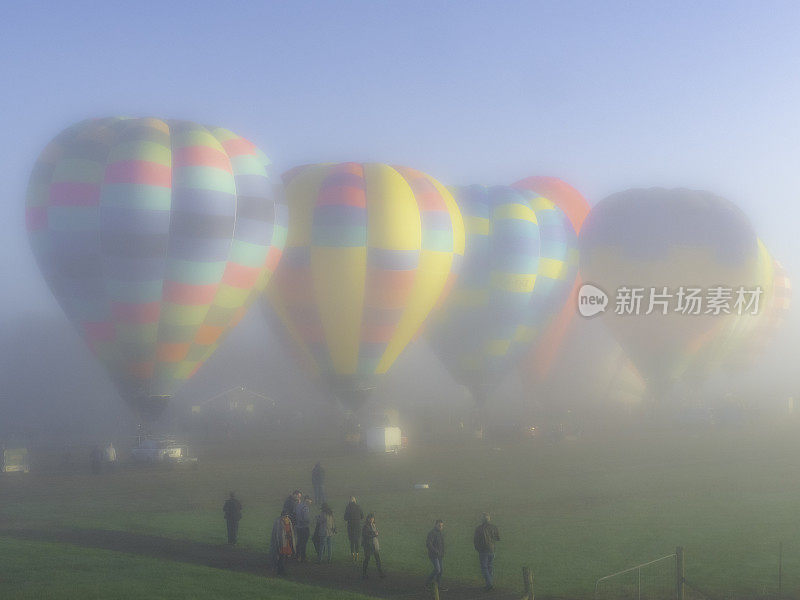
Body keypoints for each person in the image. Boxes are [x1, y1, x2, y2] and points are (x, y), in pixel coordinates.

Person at [473, 512, 500, 591]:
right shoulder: (494, 527)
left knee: (484, 567)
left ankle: (489, 584)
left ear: (482, 520)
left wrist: (477, 548)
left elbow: (475, 540)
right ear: (489, 519)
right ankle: (489, 584)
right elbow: (498, 538)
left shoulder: (479, 528)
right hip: (492, 549)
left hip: (483, 550)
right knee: (490, 566)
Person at [270, 511, 296, 576]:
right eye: (285, 516)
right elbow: (277, 533)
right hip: (281, 542)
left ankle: (282, 570)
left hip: (287, 541)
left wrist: (289, 536)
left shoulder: (289, 521)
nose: (286, 518)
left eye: (287, 516)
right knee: (281, 556)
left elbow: (290, 531)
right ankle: (280, 570)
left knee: (285, 556)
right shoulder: (278, 522)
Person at [361, 513, 385, 579]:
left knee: (377, 559)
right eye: (371, 518)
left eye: (373, 518)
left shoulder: (373, 525)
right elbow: (365, 536)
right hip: (368, 545)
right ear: (368, 519)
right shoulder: (365, 526)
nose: (372, 519)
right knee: (367, 559)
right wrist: (374, 534)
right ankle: (364, 573)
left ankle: (380, 573)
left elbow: (375, 533)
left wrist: (376, 533)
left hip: (374, 544)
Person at [425, 519, 445, 589]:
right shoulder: (432, 533)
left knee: (441, 571)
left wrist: (442, 552)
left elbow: (442, 544)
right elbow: (428, 544)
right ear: (435, 525)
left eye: (442, 526)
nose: (441, 527)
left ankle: (438, 585)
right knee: (437, 569)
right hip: (433, 555)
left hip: (439, 555)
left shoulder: (440, 533)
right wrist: (435, 551)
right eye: (439, 525)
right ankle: (428, 583)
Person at [343, 496, 364, 564]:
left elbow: (345, 518)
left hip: (350, 527)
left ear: (350, 501)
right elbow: (362, 516)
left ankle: (352, 555)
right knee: (357, 540)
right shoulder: (358, 507)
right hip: (357, 526)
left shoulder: (348, 507)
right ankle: (357, 554)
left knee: (352, 541)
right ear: (355, 501)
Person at [294, 495, 312, 561]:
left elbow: (295, 514)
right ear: (307, 500)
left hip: (298, 527)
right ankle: (303, 557)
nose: (310, 502)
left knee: (299, 542)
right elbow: (306, 518)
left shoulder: (298, 505)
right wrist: (310, 521)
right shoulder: (305, 507)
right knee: (304, 543)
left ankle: (297, 556)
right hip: (304, 527)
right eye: (310, 501)